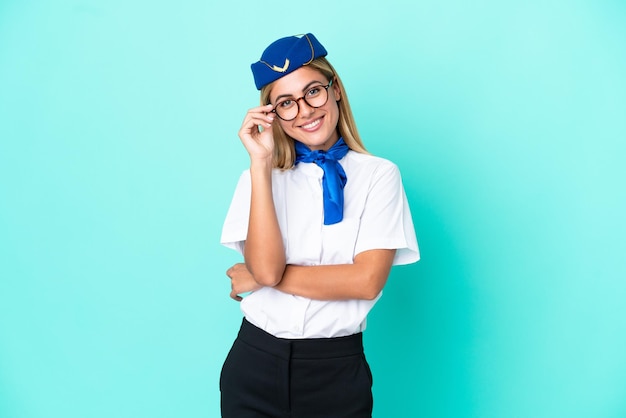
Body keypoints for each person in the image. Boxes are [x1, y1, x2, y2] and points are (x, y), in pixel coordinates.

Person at [219, 33, 420, 418]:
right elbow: (266, 266)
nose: (305, 111)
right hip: (254, 362)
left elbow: (365, 281)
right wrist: (260, 164)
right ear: (272, 114)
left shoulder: (380, 176)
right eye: (286, 103)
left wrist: (262, 279)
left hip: (335, 371)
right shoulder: (257, 180)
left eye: (313, 91)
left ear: (335, 89)